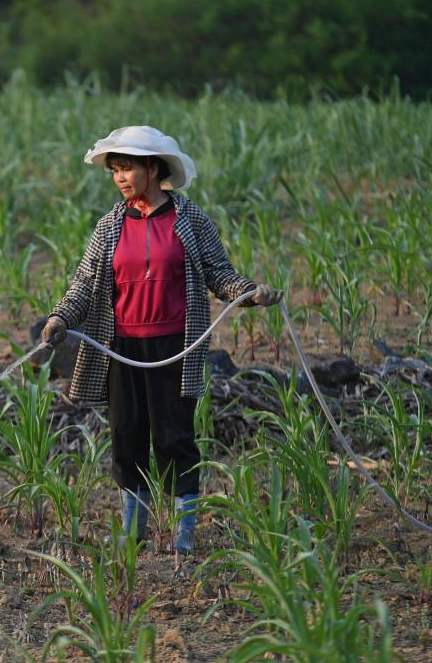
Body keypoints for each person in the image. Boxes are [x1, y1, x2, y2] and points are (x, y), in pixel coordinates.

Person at [41, 126, 282, 553]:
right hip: (121, 348)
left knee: (174, 437)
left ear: (153, 169)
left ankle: (184, 533)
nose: (120, 177)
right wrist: (60, 316)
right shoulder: (109, 227)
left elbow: (218, 273)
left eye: (127, 167)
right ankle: (134, 529)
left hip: (175, 346)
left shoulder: (189, 220)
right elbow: (84, 285)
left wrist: (249, 292)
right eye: (114, 169)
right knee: (125, 434)